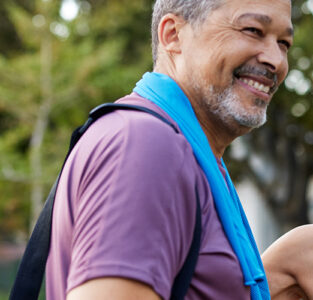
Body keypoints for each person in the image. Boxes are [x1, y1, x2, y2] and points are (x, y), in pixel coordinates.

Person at [45, 0, 312, 299]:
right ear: (173, 34)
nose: (276, 60)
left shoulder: (188, 153)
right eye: (252, 30)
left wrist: (285, 266)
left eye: (284, 43)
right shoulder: (147, 147)